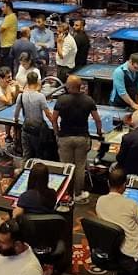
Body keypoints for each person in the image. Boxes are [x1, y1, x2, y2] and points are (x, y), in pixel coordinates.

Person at [49, 75, 102, 204]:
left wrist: (56, 132)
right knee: (79, 167)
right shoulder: (88, 100)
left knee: (66, 167)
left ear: (69, 86)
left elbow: (54, 119)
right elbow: (97, 119)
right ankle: (77, 194)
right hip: (82, 138)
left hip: (65, 138)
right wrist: (99, 132)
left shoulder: (61, 100)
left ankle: (66, 193)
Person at [13, 71, 53, 160]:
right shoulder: (40, 96)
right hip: (38, 131)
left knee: (26, 155)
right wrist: (54, 124)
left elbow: (16, 114)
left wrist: (15, 121)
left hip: (26, 129)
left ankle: (24, 168)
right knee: (39, 155)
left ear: (27, 81)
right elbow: (48, 114)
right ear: (37, 81)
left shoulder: (21, 96)